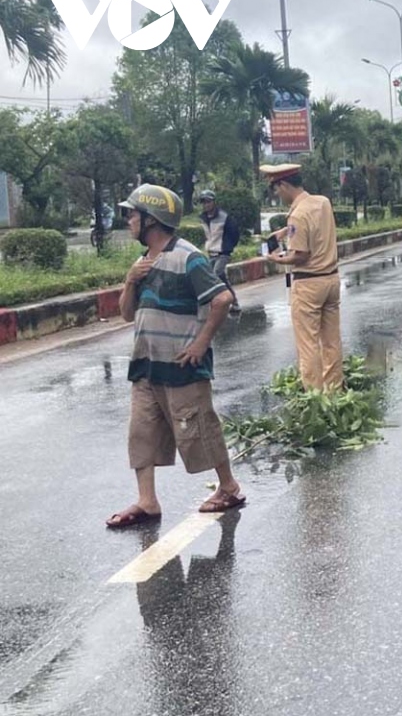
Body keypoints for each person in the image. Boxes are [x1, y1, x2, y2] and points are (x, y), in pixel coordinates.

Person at [105, 184, 242, 529]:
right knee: (142, 432)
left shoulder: (188, 256)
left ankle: (229, 487)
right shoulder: (141, 262)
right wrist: (129, 281)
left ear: (152, 219)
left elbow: (222, 300)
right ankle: (147, 501)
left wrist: (200, 344)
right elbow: (125, 315)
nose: (129, 221)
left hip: (182, 366)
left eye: (132, 214)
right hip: (146, 365)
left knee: (199, 428)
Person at [261, 163, 344, 392]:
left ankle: (315, 399)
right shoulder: (322, 202)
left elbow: (301, 255)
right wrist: (285, 232)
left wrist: (278, 259)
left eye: (276, 189)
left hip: (308, 285)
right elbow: (315, 226)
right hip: (331, 280)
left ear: (285, 184)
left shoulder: (297, 215)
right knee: (331, 341)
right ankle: (334, 391)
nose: (277, 195)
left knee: (308, 345)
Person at [198, 189, 241, 313]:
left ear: (214, 202)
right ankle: (233, 302)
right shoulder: (203, 218)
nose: (206, 205)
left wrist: (228, 246)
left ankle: (224, 303)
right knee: (219, 278)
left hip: (223, 253)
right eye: (204, 202)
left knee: (216, 274)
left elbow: (234, 233)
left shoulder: (224, 217)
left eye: (208, 202)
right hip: (211, 252)